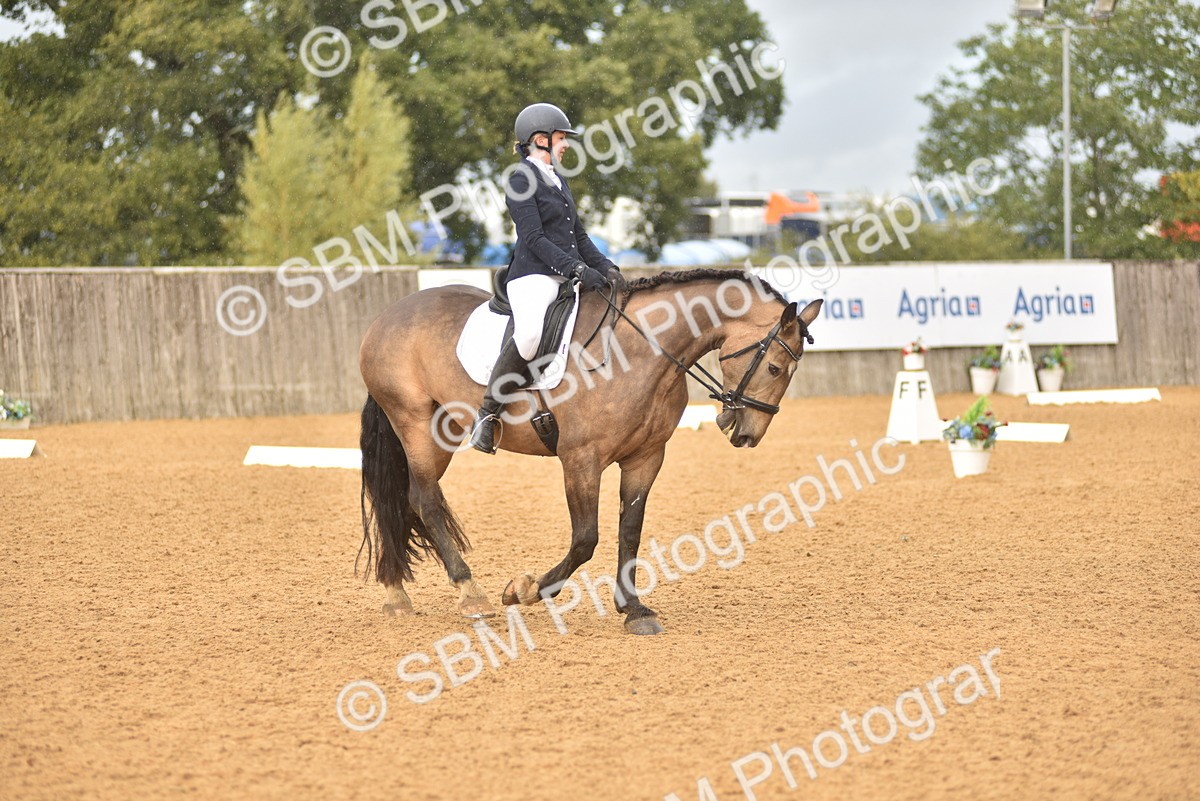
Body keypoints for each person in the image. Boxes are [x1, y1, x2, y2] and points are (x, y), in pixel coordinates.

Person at [468, 102, 623, 454]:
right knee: (530, 335)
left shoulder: (557, 178)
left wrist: (607, 267)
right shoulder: (520, 178)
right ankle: (487, 414)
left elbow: (579, 238)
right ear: (540, 139)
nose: (566, 144)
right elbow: (534, 238)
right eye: (561, 138)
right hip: (532, 277)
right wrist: (576, 269)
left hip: (566, 275)